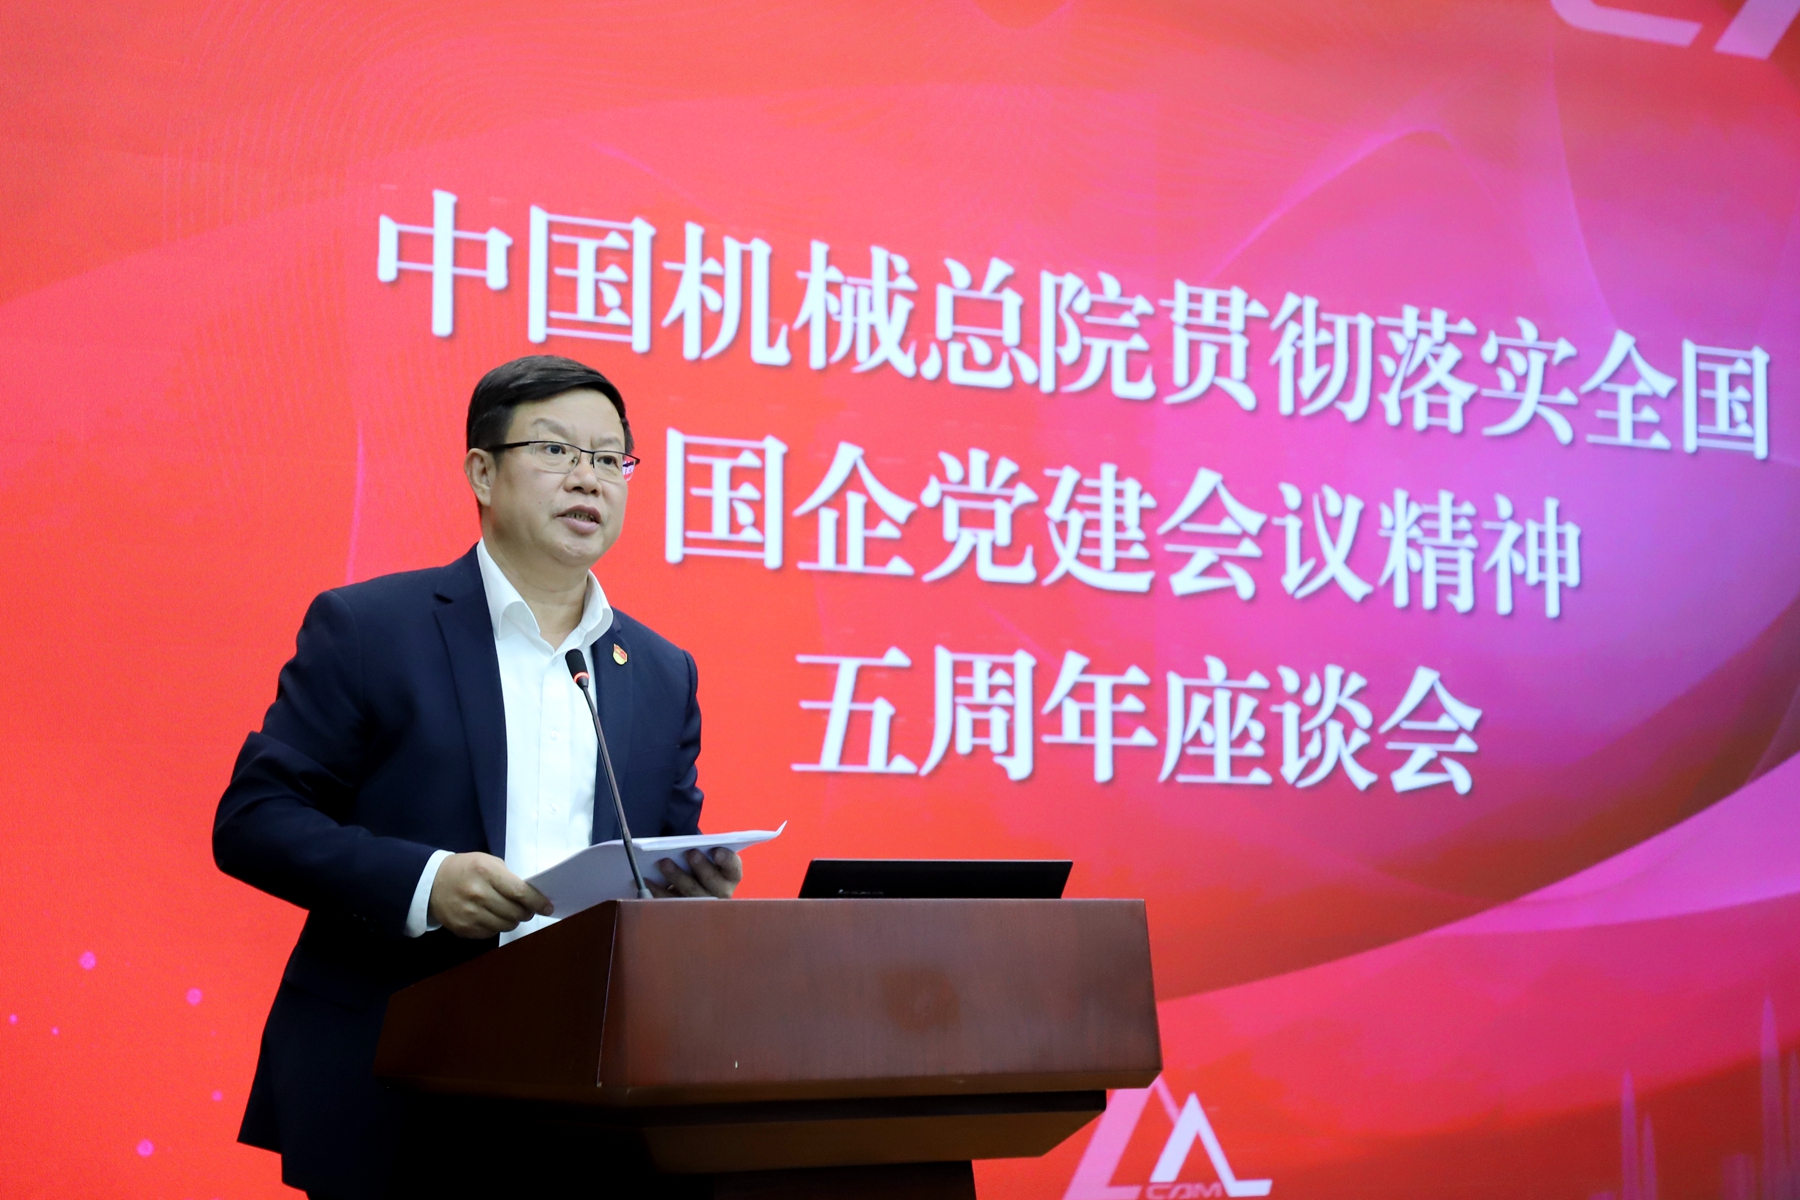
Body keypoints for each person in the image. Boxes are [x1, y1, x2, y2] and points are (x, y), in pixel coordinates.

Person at [213, 355, 741, 1199]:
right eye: (557, 451)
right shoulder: (370, 628)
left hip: (586, 1095)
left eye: (610, 459)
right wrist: (427, 884)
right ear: (482, 473)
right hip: (399, 1079)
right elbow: (255, 820)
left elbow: (659, 855)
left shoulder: (660, 670)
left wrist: (691, 889)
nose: (589, 479)